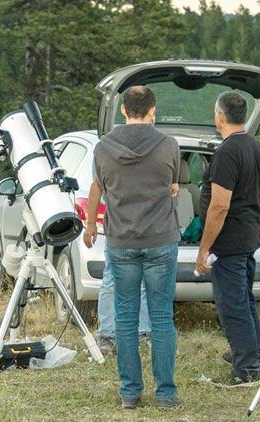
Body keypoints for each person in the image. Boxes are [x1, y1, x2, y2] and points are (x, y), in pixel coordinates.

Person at [83, 85, 181, 409]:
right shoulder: (169, 146)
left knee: (125, 319)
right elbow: (174, 187)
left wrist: (90, 225)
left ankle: (130, 393)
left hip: (122, 242)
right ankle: (166, 394)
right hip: (161, 241)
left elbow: (97, 187)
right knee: (162, 318)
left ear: (123, 111)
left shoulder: (103, 147)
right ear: (153, 110)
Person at [196, 91, 260, 386]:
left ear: (219, 116)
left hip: (229, 241)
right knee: (244, 298)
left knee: (232, 304)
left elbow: (219, 205)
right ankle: (251, 352)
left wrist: (204, 249)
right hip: (250, 235)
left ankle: (247, 369)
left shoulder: (227, 152)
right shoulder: (259, 148)